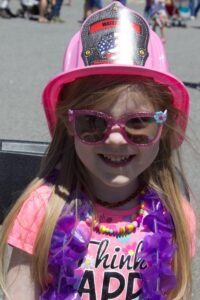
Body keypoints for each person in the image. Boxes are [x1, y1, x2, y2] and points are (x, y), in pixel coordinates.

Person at [0, 1, 197, 299]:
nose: (116, 139)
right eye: (92, 122)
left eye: (139, 123)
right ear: (69, 123)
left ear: (163, 126)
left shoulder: (175, 215)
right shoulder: (41, 211)